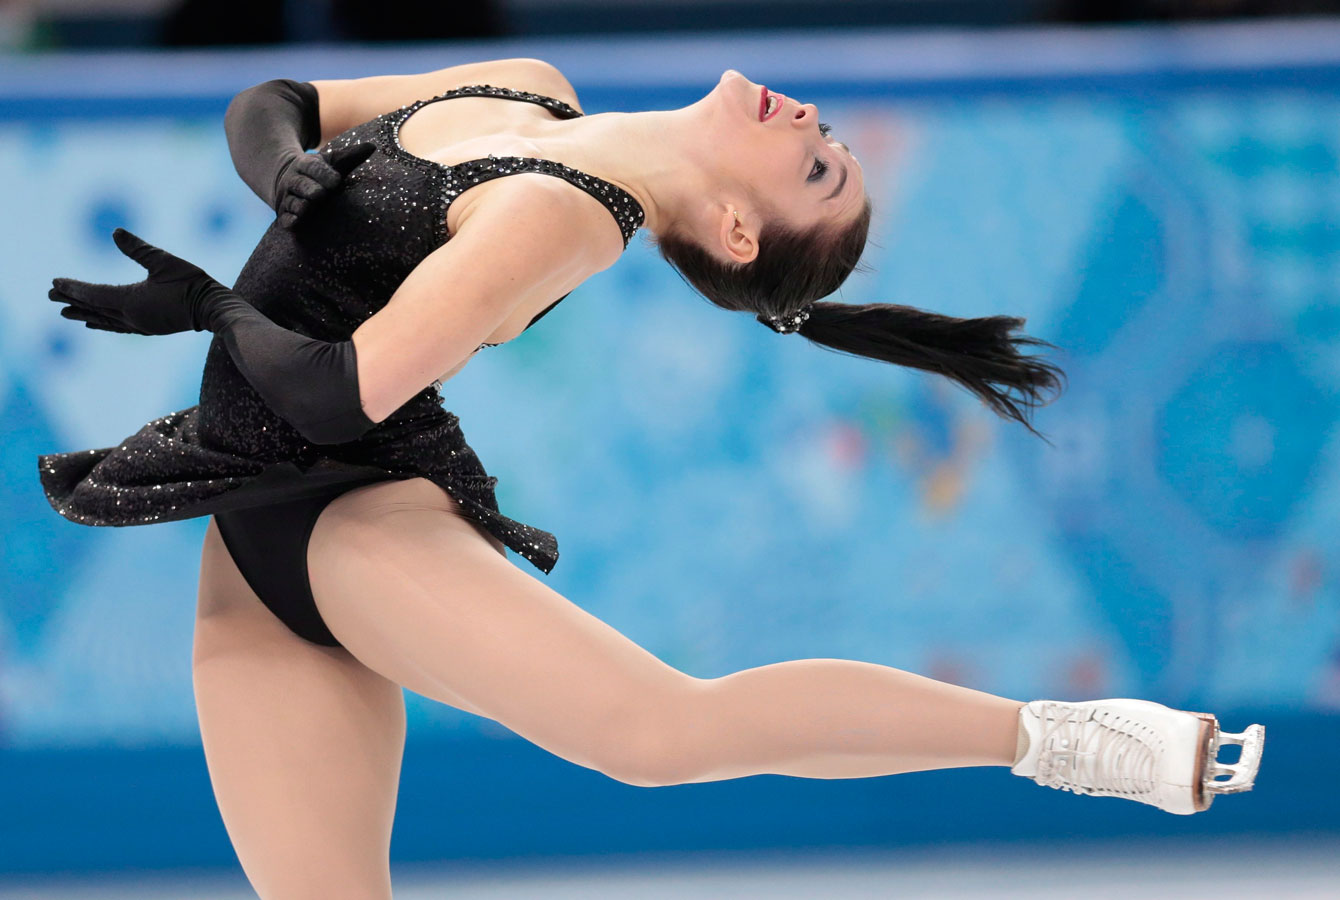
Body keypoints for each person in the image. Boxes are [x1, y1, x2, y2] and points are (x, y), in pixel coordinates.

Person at [39, 59, 1262, 899]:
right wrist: (281, 171)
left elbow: (333, 393)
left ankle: (1064, 740)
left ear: (736, 232)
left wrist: (206, 304)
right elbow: (280, 98)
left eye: (818, 169)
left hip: (344, 517)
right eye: (831, 141)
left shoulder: (562, 217)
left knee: (657, 730)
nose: (812, 126)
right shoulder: (528, 93)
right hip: (247, 557)